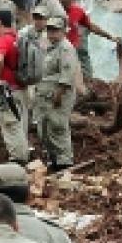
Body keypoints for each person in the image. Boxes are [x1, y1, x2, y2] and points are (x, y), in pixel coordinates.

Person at [35, 16, 79, 171]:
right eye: (49, 30)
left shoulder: (65, 48)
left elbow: (66, 75)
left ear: (63, 31)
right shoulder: (50, 47)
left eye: (55, 30)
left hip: (58, 98)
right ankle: (54, 161)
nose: (51, 33)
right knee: (45, 130)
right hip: (46, 98)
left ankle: (65, 163)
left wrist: (58, 96)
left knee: (58, 128)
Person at [58, 0, 121, 81]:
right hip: (58, 52)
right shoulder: (52, 11)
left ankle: (89, 82)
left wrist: (110, 37)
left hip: (73, 51)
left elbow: (90, 26)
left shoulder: (78, 11)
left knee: (84, 74)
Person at [0, 8, 29, 164]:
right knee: (20, 125)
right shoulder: (17, 37)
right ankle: (24, 157)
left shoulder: (3, 39)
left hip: (7, 91)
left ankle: (18, 160)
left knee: (10, 126)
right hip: (20, 88)